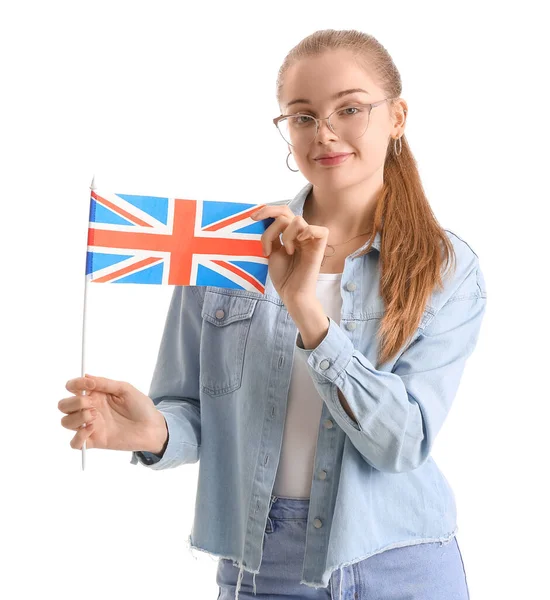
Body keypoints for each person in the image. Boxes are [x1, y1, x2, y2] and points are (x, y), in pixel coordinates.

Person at [58, 28, 487, 600]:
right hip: (266, 564)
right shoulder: (228, 248)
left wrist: (307, 310)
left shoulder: (446, 268)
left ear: (398, 116)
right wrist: (155, 430)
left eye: (350, 109)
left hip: (399, 562)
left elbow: (401, 443)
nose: (325, 133)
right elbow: (188, 409)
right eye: (303, 116)